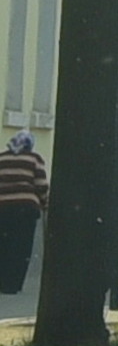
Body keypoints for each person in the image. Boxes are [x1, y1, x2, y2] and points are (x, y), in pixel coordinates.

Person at [0, 123, 43, 300]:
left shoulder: (1, 159)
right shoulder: (34, 159)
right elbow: (41, 185)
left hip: (2, 207)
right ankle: (13, 284)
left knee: (3, 245)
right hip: (26, 209)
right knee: (21, 247)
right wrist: (45, 204)